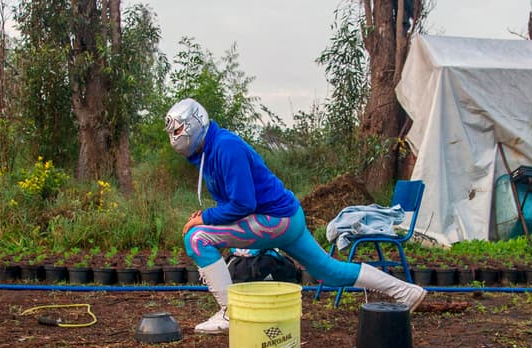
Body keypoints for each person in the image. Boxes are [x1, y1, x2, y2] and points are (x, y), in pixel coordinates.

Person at [165, 98, 425, 334]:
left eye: (177, 130)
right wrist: (210, 216)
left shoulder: (225, 147)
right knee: (329, 272)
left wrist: (206, 218)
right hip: (286, 217)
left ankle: (230, 313)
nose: (174, 137)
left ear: (194, 124)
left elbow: (243, 203)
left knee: (197, 238)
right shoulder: (210, 150)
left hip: (275, 220)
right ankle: (406, 291)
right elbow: (236, 201)